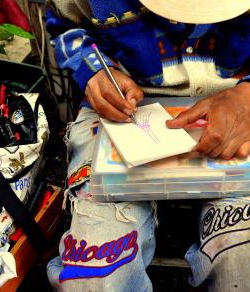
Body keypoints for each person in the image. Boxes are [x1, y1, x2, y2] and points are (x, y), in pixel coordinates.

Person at [45, 0, 250, 291]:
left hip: (238, 108)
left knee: (241, 262)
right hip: (118, 112)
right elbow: (66, 27)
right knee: (93, 276)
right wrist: (94, 71)